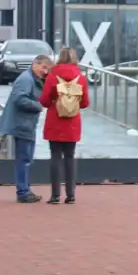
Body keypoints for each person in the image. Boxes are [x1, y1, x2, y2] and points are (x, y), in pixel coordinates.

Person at [40, 47, 90, 205]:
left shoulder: (52, 76)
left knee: (55, 156)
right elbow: (85, 103)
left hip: (55, 119)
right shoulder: (81, 77)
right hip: (72, 121)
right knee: (70, 156)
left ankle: (55, 195)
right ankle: (71, 194)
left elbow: (44, 101)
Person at [0, 55, 52, 203]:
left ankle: (25, 189)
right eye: (44, 67)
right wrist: (38, 106)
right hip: (21, 124)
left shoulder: (30, 79)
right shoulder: (26, 79)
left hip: (25, 124)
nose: (45, 71)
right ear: (35, 64)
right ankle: (23, 191)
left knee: (26, 158)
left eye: (47, 69)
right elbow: (19, 98)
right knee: (24, 158)